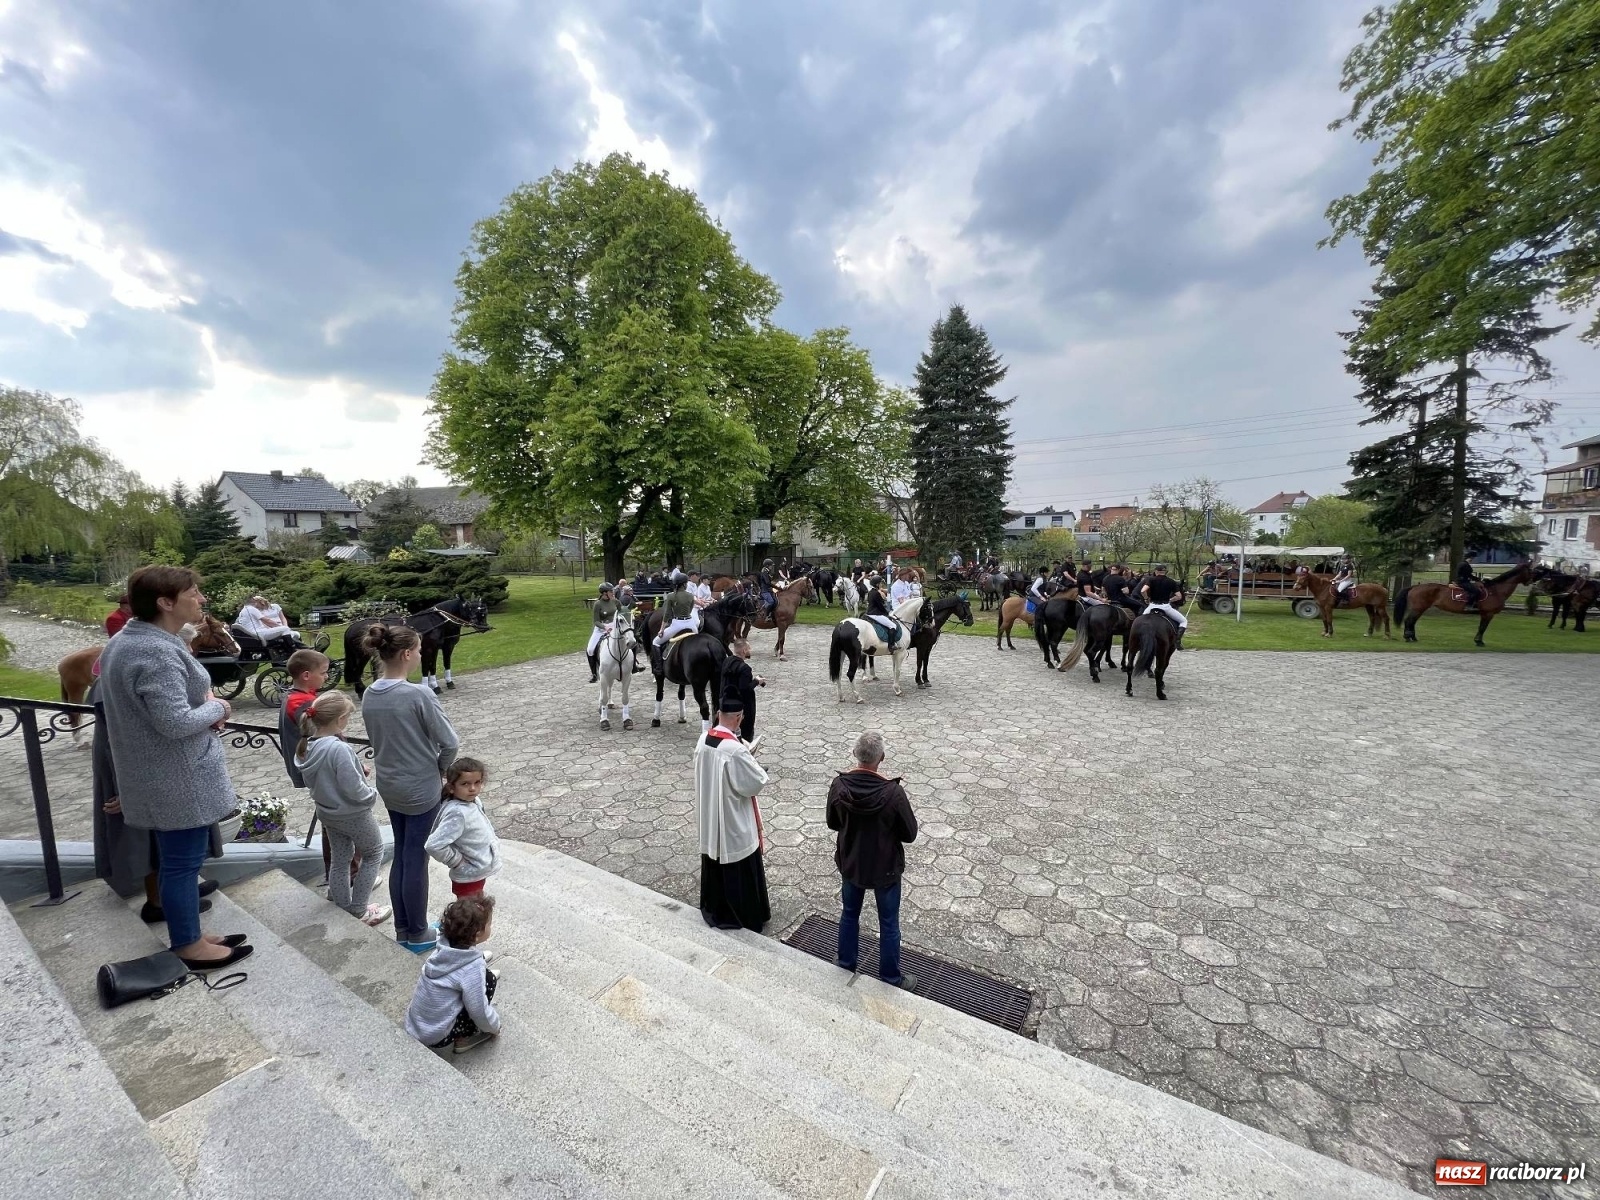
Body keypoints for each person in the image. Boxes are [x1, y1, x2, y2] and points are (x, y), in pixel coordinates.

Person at [97, 565, 251, 970]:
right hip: (176, 778)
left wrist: (203, 707)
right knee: (183, 863)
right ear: (166, 603)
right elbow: (174, 722)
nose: (201, 599)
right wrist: (218, 706)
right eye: (194, 592)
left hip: (158, 774)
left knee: (176, 861)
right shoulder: (155, 651)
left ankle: (190, 933)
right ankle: (188, 945)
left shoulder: (130, 641)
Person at [361, 622, 460, 954]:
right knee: (415, 859)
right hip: (420, 788)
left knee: (403, 854)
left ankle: (404, 927)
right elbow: (450, 743)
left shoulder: (370, 693)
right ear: (406, 654)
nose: (420, 655)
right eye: (418, 650)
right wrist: (440, 769)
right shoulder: (418, 694)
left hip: (389, 785)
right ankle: (417, 932)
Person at [827, 731, 919, 992]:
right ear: (882, 758)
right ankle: (890, 976)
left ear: (855, 755)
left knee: (849, 913)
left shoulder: (839, 785)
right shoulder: (893, 793)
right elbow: (910, 834)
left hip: (852, 862)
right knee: (889, 922)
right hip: (885, 866)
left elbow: (832, 822)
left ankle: (845, 961)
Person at [294, 690, 391, 927]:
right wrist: (373, 794)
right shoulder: (339, 748)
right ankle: (359, 909)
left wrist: (357, 769)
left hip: (327, 813)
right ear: (339, 720)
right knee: (373, 854)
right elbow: (355, 789)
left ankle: (340, 902)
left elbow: (326, 777)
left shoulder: (308, 747)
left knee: (340, 859)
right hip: (353, 814)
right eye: (347, 716)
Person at [694, 698, 770, 930]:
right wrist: (751, 757)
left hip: (710, 812)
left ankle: (713, 908)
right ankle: (741, 917)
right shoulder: (735, 749)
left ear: (718, 714)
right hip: (731, 819)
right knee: (736, 858)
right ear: (738, 718)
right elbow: (755, 783)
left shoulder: (703, 739)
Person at [404, 893, 502, 1055]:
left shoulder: (443, 946)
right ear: (478, 934)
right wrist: (494, 1025)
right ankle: (465, 1038)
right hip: (437, 1035)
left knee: (477, 975)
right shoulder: (472, 967)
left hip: (416, 1024)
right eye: (489, 924)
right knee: (489, 980)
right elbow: (479, 1009)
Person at [425, 757, 501, 898]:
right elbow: (433, 845)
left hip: (476, 870)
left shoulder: (473, 801)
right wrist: (457, 861)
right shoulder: (457, 813)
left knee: (475, 910)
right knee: (469, 916)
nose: (472, 788)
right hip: (468, 876)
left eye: (477, 782)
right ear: (452, 788)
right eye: (465, 784)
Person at [718, 638, 764, 744]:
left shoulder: (727, 661)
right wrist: (757, 681)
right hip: (742, 708)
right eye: (748, 648)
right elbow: (745, 689)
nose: (750, 651)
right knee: (746, 733)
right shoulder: (745, 668)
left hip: (726, 702)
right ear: (744, 651)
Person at [653, 574, 701, 666]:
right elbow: (690, 610)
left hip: (677, 625)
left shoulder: (671, 596)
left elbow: (667, 614)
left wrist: (661, 630)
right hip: (691, 625)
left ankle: (659, 666)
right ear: (684, 584)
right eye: (686, 583)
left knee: (655, 642)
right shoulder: (690, 596)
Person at [235, 594, 302, 652]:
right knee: (285, 629)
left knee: (285, 630)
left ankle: (294, 648)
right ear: (254, 602)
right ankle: (292, 649)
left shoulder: (243, 611)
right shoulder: (251, 609)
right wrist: (279, 626)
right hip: (259, 633)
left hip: (256, 633)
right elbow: (267, 621)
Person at [1141, 563, 1188, 646]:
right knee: (1183, 621)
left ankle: (1139, 640)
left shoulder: (1151, 580)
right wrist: (1170, 600)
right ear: (1165, 572)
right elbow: (1179, 596)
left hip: (1152, 605)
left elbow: (1143, 591)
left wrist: (1146, 598)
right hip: (1165, 607)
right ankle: (1177, 641)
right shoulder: (1171, 581)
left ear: (1156, 571)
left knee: (1140, 621)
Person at [585, 583, 621, 682]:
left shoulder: (615, 601)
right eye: (610, 591)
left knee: (628, 641)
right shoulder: (598, 604)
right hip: (601, 628)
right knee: (590, 649)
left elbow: (622, 612)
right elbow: (596, 621)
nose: (613, 593)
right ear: (604, 593)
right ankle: (594, 674)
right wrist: (604, 627)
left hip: (614, 627)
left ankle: (634, 665)